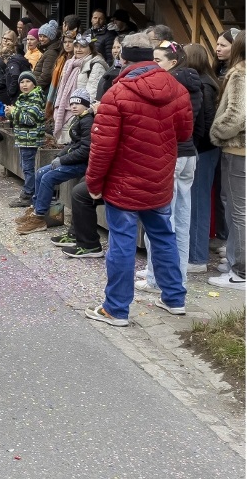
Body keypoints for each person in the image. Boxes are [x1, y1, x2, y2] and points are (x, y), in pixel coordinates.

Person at [84, 33, 191, 327]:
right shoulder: (178, 89)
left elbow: (102, 147)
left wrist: (94, 184)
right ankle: (174, 298)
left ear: (123, 59)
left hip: (124, 183)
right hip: (158, 178)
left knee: (122, 242)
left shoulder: (116, 94)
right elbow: (184, 134)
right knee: (163, 236)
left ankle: (116, 309)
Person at [136, 42, 200, 293]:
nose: (153, 65)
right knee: (181, 222)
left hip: (170, 156)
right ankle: (177, 278)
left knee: (161, 221)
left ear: (173, 63)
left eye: (158, 60)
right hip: (189, 154)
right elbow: (199, 124)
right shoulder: (195, 85)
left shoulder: (167, 87)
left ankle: (156, 278)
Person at [18, 89, 93, 235]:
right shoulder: (79, 119)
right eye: (72, 104)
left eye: (78, 104)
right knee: (40, 172)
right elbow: (73, 144)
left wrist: (62, 160)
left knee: (48, 178)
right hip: (72, 159)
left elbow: (85, 150)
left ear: (86, 105)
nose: (74, 107)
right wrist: (59, 156)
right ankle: (36, 209)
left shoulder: (88, 122)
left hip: (82, 164)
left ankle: (39, 217)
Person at [208, 31, 245, 289]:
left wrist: (216, 132)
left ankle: (240, 271)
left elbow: (236, 114)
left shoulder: (239, 74)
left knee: (238, 211)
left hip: (237, 149)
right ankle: (234, 261)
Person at [183, 43, 220, 272]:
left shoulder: (203, 85)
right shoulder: (209, 81)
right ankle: (196, 254)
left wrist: (193, 147)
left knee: (198, 203)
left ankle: (197, 258)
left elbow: (204, 122)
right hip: (207, 149)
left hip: (203, 150)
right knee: (198, 201)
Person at [5, 72, 45, 208]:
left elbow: (29, 119)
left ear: (34, 84)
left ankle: (28, 194)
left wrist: (14, 112)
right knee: (25, 166)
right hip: (23, 138)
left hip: (30, 139)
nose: (24, 85)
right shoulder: (23, 98)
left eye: (28, 81)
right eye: (22, 82)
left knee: (28, 168)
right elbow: (19, 118)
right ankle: (30, 192)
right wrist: (9, 114)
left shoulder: (35, 99)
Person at [31, 20, 61, 89]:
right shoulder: (47, 50)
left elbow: (46, 75)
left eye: (44, 36)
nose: (41, 39)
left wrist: (35, 88)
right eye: (40, 36)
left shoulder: (51, 52)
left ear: (51, 37)